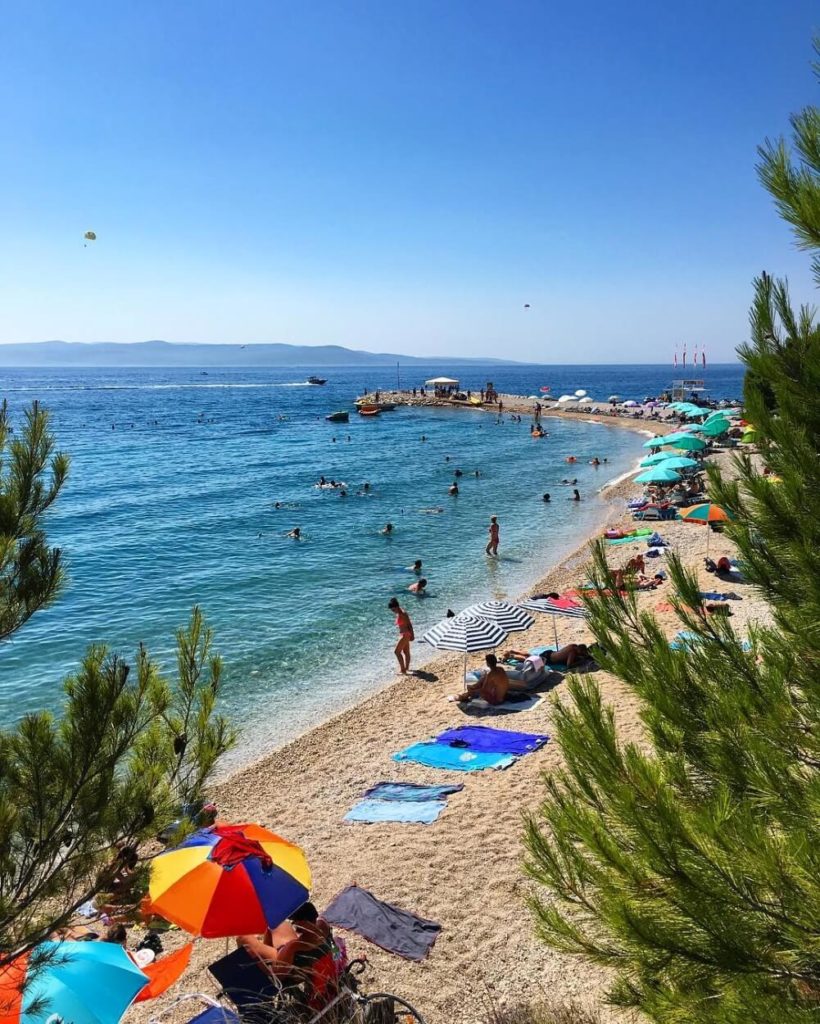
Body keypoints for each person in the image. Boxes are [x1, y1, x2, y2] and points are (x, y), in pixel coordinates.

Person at [237, 902, 336, 995]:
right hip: (307, 962)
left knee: (242, 938)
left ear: (303, 922)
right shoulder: (324, 926)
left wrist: (263, 964)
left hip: (287, 969)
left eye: (295, 922)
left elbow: (278, 976)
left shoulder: (294, 946)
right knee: (275, 924)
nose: (294, 924)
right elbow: (334, 950)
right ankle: (265, 942)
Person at [388, 597, 413, 674]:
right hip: (404, 634)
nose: (393, 611)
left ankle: (403, 670)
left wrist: (412, 635)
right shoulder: (399, 613)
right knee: (406, 652)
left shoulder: (402, 613)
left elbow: (409, 624)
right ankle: (406, 668)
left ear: (396, 607)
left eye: (393, 609)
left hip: (405, 634)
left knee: (397, 652)